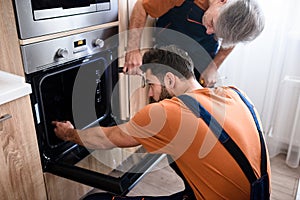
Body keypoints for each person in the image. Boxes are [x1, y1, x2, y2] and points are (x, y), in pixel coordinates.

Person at [53, 45, 271, 199]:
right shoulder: (235, 94)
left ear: (169, 79)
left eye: (150, 84)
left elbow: (109, 137)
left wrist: (69, 134)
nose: (150, 94)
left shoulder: (168, 113)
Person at [123, 0, 265, 87]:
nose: (208, 31)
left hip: (203, 53)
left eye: (217, 34)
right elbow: (142, 7)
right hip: (170, 48)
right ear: (222, 1)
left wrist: (213, 67)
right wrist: (133, 50)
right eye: (212, 23)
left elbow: (231, 41)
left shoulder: (238, 14)